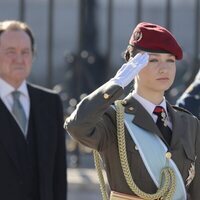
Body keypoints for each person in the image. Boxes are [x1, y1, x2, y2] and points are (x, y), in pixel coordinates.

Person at [64, 22, 200, 200]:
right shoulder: (113, 118)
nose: (164, 68)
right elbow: (77, 126)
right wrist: (116, 84)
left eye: (170, 60)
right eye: (153, 60)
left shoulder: (189, 123)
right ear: (133, 65)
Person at [0, 20, 67, 200]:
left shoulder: (50, 103)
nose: (19, 59)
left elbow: (58, 175)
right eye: (10, 52)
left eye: (25, 52)